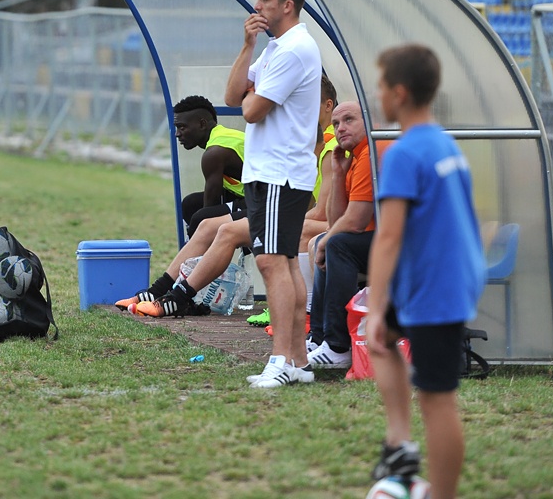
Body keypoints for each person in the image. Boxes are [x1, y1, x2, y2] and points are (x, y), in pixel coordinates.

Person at [365, 44, 486, 499]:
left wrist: (376, 306)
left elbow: (389, 236)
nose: (378, 95)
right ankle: (400, 446)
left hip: (437, 291)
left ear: (399, 94)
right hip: (436, 281)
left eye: (380, 87)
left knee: (437, 399)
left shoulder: (404, 152)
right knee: (381, 342)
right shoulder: (442, 141)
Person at [115, 75, 339, 318]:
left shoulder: (330, 145)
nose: (299, 112)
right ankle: (158, 291)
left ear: (328, 105)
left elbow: (320, 209)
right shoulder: (308, 139)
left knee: (220, 227)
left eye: (306, 104)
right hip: (275, 206)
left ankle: (179, 298)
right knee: (208, 225)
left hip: (300, 216)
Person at [225, 0, 322, 389]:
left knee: (270, 262)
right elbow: (232, 98)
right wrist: (247, 45)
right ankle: (298, 361)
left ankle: (281, 357)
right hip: (272, 173)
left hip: (279, 174)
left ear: (287, 5)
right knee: (282, 262)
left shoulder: (295, 48)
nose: (257, 5)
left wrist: (251, 95)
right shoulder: (274, 48)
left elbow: (250, 111)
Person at [306, 102, 375, 369]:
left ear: (368, 121)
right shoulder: (353, 157)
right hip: (381, 241)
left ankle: (337, 345)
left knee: (335, 244)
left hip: (407, 245)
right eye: (336, 124)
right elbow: (336, 219)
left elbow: (355, 222)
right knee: (330, 241)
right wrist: (338, 174)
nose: (340, 128)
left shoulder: (371, 153)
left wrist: (326, 242)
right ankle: (321, 338)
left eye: (349, 120)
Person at [172, 95, 245, 238]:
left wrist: (196, 234)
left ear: (202, 124)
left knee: (201, 218)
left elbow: (210, 208)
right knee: (191, 204)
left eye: (182, 127)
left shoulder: (215, 152)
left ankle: (198, 259)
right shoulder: (222, 137)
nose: (177, 134)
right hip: (253, 195)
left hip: (271, 201)